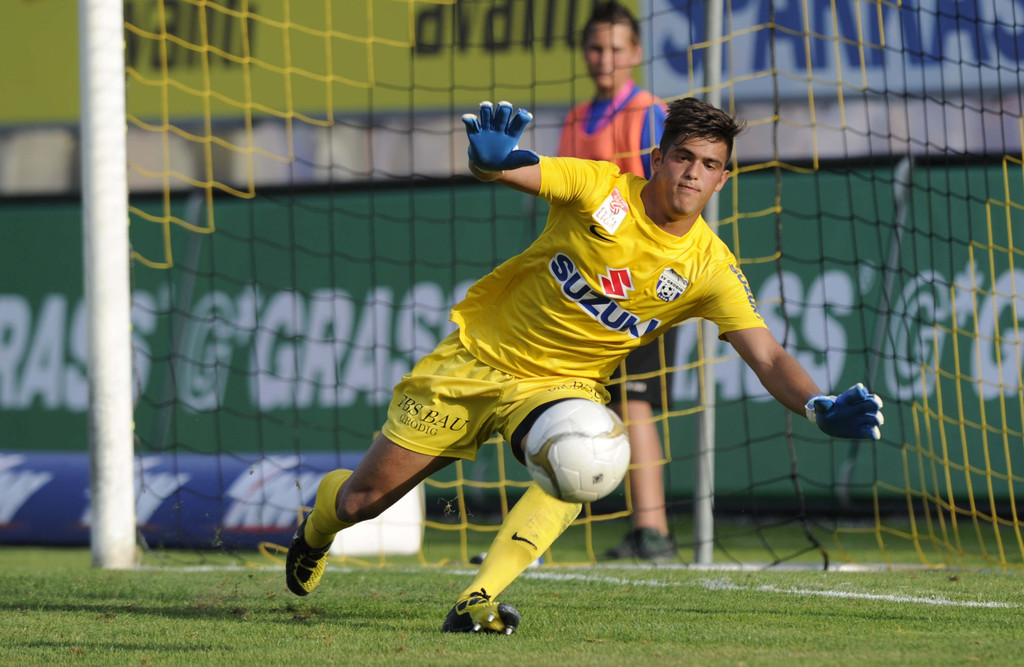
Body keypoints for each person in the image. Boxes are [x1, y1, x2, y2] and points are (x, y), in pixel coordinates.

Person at [285, 98, 884, 635]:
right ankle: (316, 531)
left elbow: (769, 354)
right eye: (683, 157)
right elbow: (516, 167)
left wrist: (814, 405)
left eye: (709, 164)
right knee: (362, 501)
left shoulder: (709, 268)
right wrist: (488, 161)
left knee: (587, 452)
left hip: (560, 389)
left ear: (723, 177)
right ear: (658, 159)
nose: (693, 173)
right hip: (474, 361)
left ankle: (477, 599)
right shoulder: (600, 188)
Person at [558, 0, 677, 561]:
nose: (604, 58)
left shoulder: (651, 113)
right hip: (583, 284)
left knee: (635, 402)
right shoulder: (573, 119)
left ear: (635, 53)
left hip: (640, 284)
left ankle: (653, 531)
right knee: (561, 397)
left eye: (615, 48)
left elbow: (663, 198)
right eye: (595, 48)